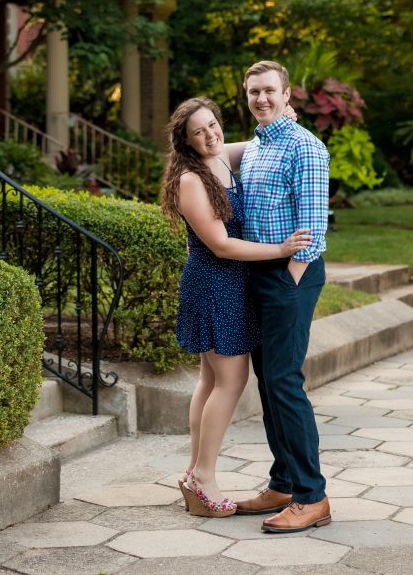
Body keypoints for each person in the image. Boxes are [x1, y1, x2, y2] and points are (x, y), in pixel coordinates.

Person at [160, 97, 313, 518]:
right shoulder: (191, 178)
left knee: (210, 380)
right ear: (185, 142)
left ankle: (194, 472)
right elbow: (221, 244)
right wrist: (280, 249)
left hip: (231, 284)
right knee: (231, 380)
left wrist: (281, 119)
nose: (210, 135)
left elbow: (257, 144)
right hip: (214, 284)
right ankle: (205, 477)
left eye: (213, 125)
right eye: (199, 132)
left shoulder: (222, 156)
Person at [233, 60, 332, 533]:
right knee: (268, 383)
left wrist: (287, 281)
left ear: (288, 94)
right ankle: (283, 482)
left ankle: (313, 496)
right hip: (257, 272)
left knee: (285, 381)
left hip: (291, 275)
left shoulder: (306, 148)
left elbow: (312, 232)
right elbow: (209, 152)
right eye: (254, 92)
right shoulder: (255, 146)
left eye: (270, 91)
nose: (261, 99)